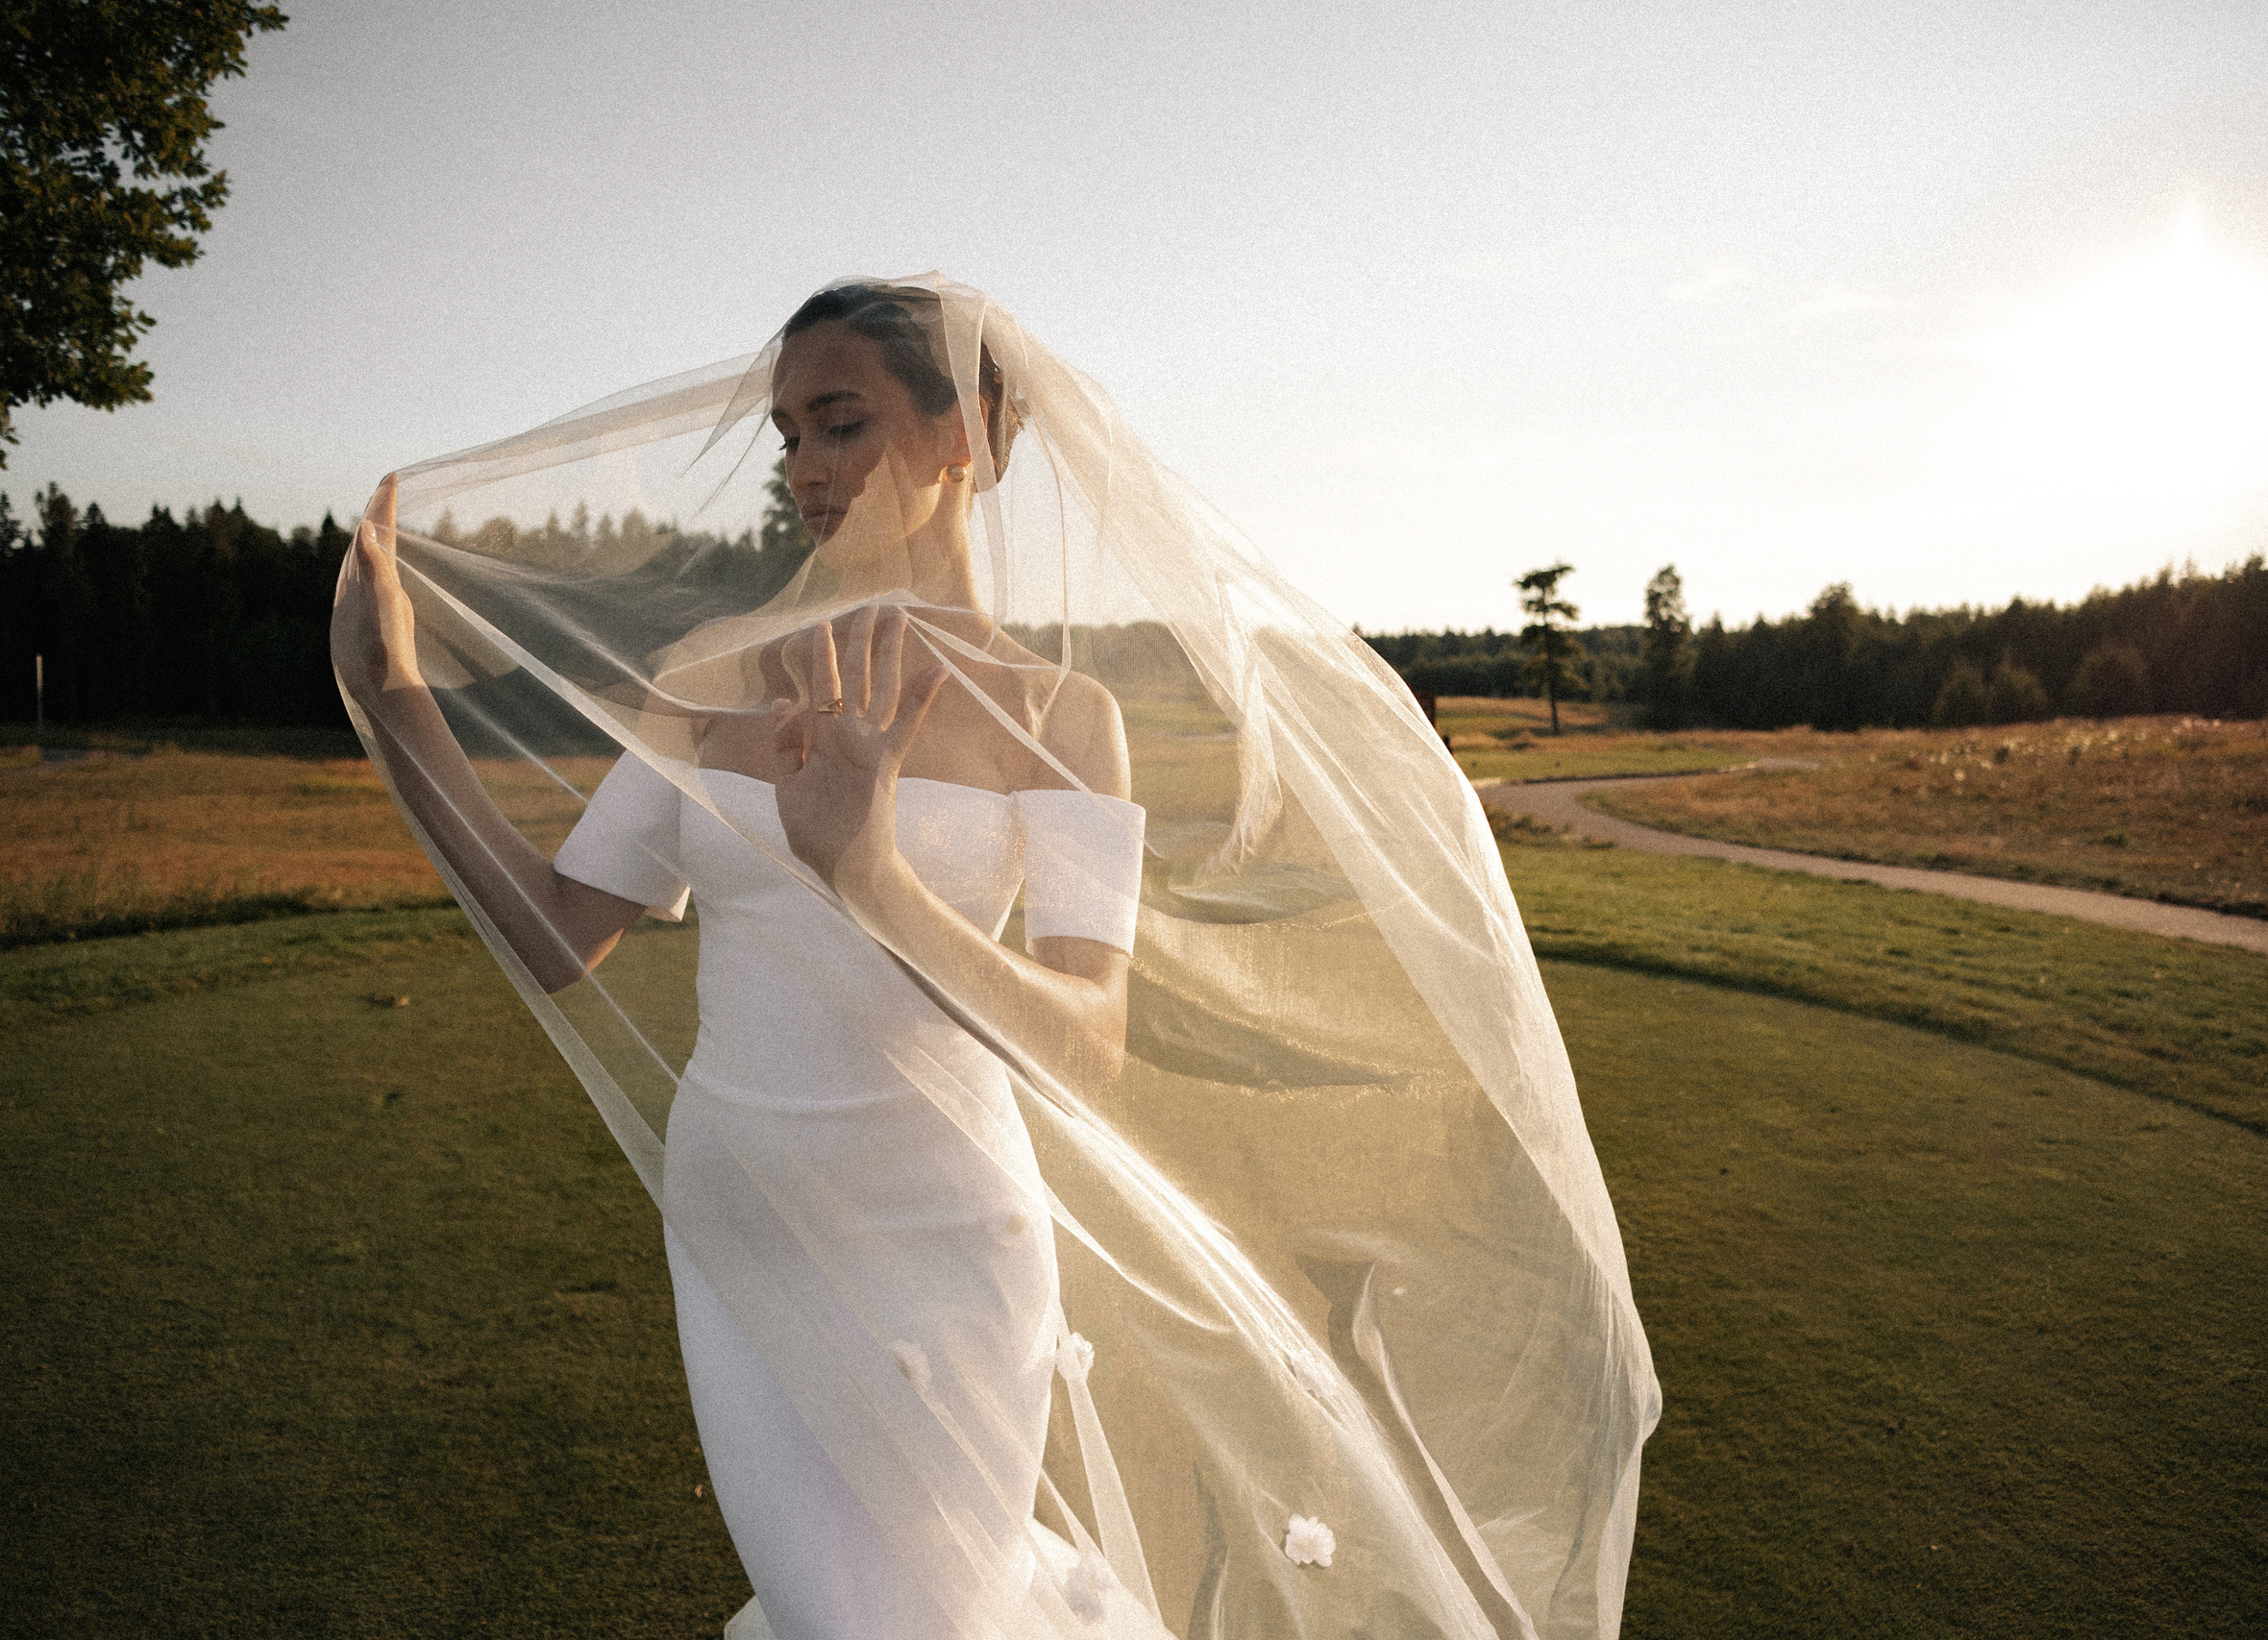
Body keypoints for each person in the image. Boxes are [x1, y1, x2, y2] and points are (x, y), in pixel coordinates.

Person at [333, 277, 1658, 1639]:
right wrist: (396, 701)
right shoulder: (707, 676)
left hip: (947, 1235)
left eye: (838, 424)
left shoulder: (1061, 722)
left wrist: (877, 880)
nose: (804, 469)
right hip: (741, 1222)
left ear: (962, 431)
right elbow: (557, 934)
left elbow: (1088, 1043)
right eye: (788, 435)